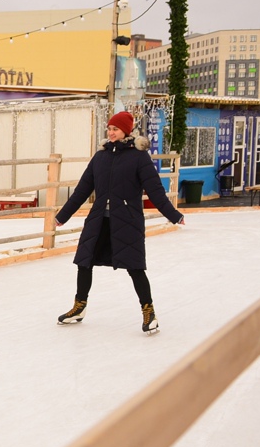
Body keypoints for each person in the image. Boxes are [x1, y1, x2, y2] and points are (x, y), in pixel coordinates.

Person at [54, 111, 185, 334]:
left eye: (115, 129)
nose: (111, 132)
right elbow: (83, 189)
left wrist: (173, 215)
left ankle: (149, 311)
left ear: (126, 131)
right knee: (84, 262)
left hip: (127, 220)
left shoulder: (138, 157)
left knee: (135, 267)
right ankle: (79, 307)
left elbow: (155, 190)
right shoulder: (101, 157)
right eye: (109, 129)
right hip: (98, 220)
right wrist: (62, 215)